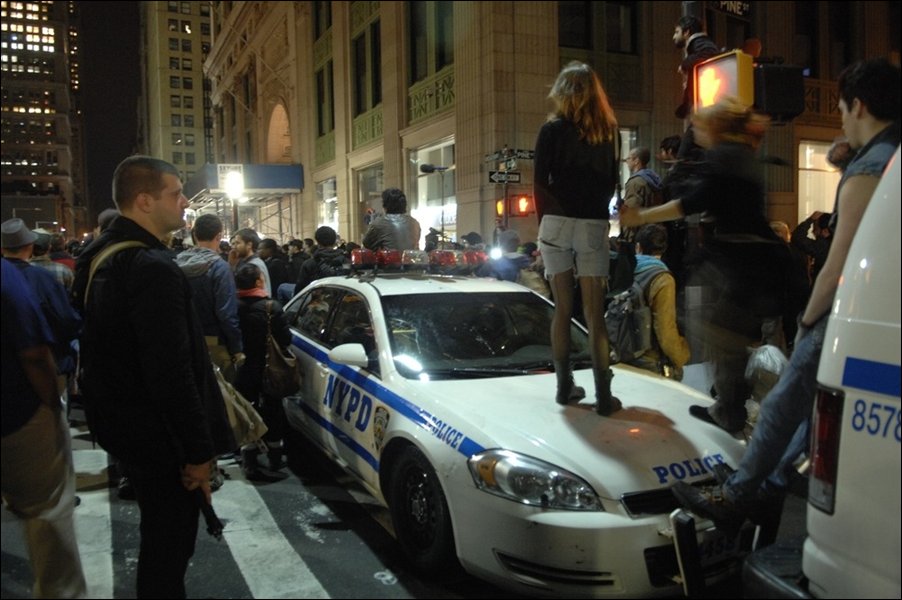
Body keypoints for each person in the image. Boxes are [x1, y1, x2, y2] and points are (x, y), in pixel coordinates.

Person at [671, 58, 901, 539]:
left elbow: (839, 260)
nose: (841, 119)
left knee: (783, 405)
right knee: (811, 415)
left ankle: (736, 497)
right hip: (876, 311)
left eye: (842, 108)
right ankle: (769, 488)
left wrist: (810, 319)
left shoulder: (870, 168)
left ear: (860, 106)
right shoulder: (890, 155)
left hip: (842, 309)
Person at [73, 155, 234, 598]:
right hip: (160, 438)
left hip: (128, 427)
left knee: (161, 540)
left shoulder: (102, 255)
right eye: (175, 193)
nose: (185, 202)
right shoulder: (151, 268)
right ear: (144, 201)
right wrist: (198, 453)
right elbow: (171, 371)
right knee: (168, 548)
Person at [620, 96, 791, 433]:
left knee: (718, 332)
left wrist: (642, 216)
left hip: (735, 263)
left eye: (697, 126)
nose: (694, 131)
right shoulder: (739, 155)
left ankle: (733, 406)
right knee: (724, 333)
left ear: (713, 127)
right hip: (748, 261)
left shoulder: (723, 157)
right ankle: (730, 404)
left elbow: (689, 202)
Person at [534, 61, 622, 415]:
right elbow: (611, 182)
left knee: (562, 308)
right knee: (594, 313)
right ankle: (604, 396)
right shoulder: (609, 131)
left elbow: (539, 182)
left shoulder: (550, 130)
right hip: (592, 223)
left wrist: (545, 225)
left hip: (556, 220)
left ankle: (563, 387)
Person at [1, 257, 87, 599]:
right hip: (16, 410)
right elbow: (34, 353)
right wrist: (51, 403)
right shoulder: (10, 277)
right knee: (48, 513)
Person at [233, 262, 292, 480]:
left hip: (242, 366)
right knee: (273, 407)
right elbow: (285, 338)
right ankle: (275, 454)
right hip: (269, 367)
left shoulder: (233, 306)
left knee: (246, 409)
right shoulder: (271, 307)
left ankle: (249, 458)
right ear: (258, 281)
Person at [174, 213, 245, 382]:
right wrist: (236, 348)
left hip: (182, 339)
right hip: (213, 341)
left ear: (195, 234)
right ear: (219, 236)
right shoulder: (219, 268)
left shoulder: (175, 263)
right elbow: (226, 314)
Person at [628, 225, 690, 380]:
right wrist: (681, 355)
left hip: (622, 352)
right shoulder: (662, 279)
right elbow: (665, 329)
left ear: (638, 247)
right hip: (649, 359)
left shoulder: (625, 271)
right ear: (663, 249)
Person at [619, 147, 663, 243]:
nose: (626, 161)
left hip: (639, 235)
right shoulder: (653, 178)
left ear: (636, 161)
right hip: (653, 232)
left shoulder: (635, 182)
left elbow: (632, 211)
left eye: (629, 158)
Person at [294, 225, 350, 296]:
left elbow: (299, 291)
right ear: (334, 241)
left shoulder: (309, 263)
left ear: (317, 241)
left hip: (316, 300)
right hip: (340, 298)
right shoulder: (345, 261)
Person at [229, 228, 272, 296]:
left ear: (249, 245)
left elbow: (264, 293)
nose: (234, 247)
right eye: (233, 244)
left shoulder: (256, 265)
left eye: (238, 243)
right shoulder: (242, 262)